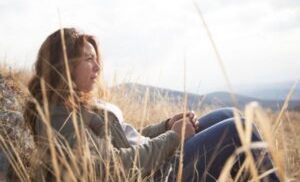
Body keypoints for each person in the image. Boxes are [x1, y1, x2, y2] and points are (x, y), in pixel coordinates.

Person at [23, 28, 280, 182]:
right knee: (239, 129)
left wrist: (166, 125)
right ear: (65, 65)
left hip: (153, 160)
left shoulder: (80, 101)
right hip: (152, 175)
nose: (98, 68)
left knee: (230, 114)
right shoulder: (57, 115)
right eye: (89, 59)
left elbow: (128, 138)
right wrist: (172, 138)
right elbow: (111, 169)